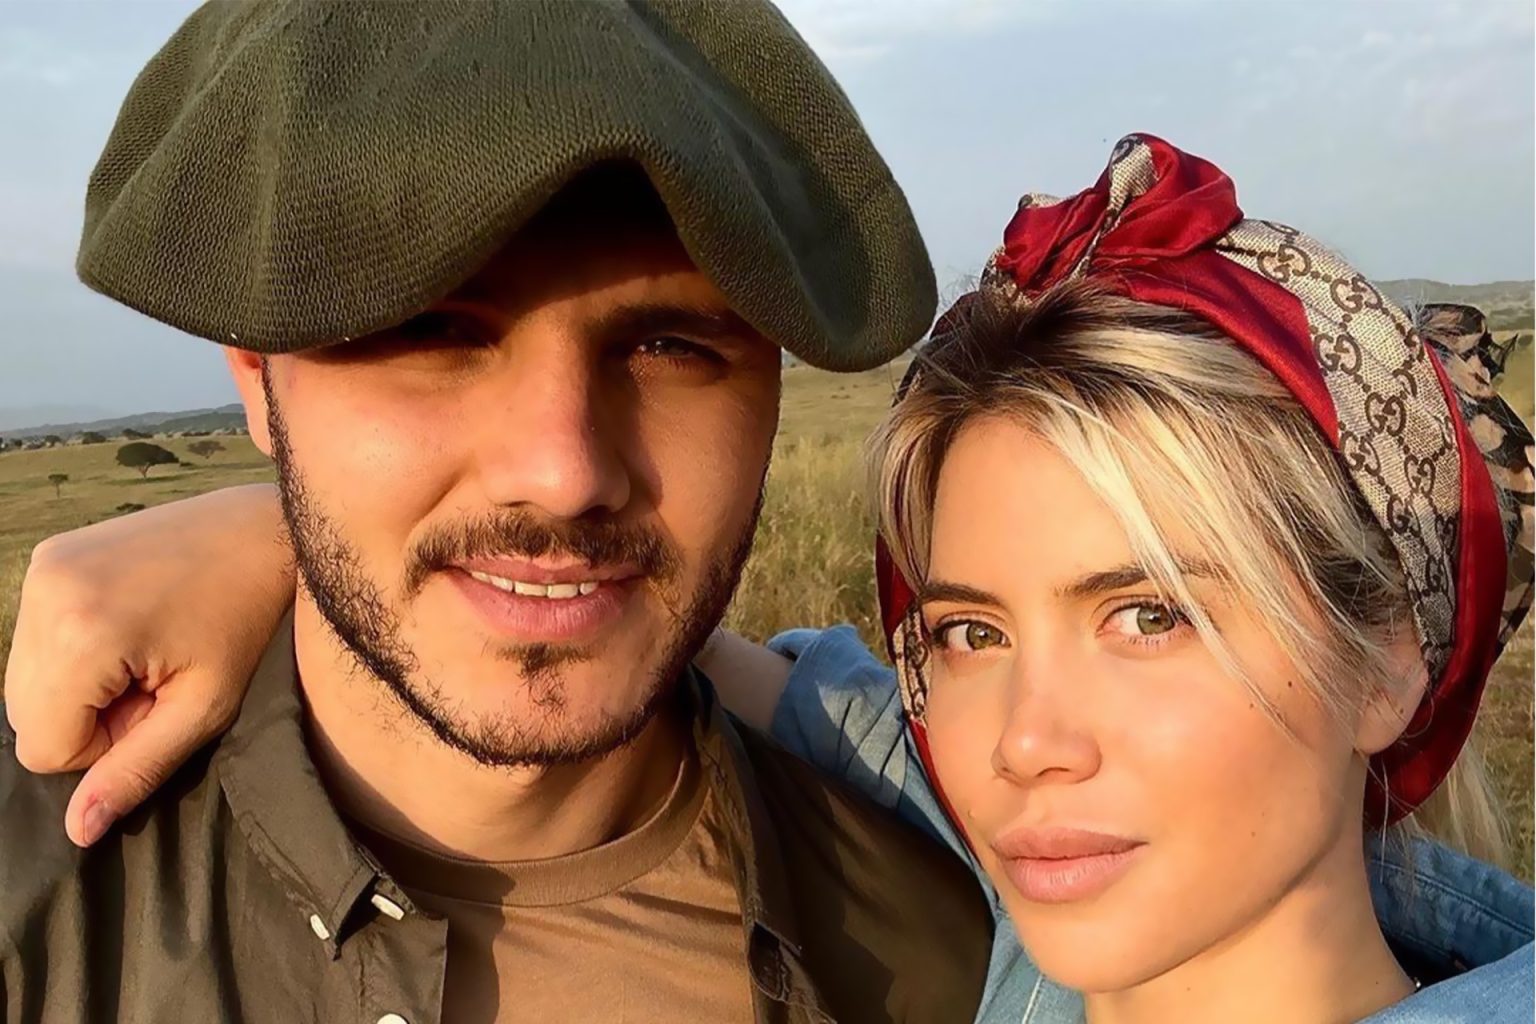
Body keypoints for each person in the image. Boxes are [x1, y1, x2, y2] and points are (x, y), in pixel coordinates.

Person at [7, 135, 1533, 1023]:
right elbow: (714, 651)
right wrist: (308, 521)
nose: (1022, 741)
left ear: (1393, 655)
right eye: (969, 630)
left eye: (1150, 616)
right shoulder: (977, 857)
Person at [0, 4, 997, 1023]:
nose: (565, 473)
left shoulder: (938, 954)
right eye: (429, 330)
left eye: (669, 346)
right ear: (257, 378)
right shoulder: (34, 912)